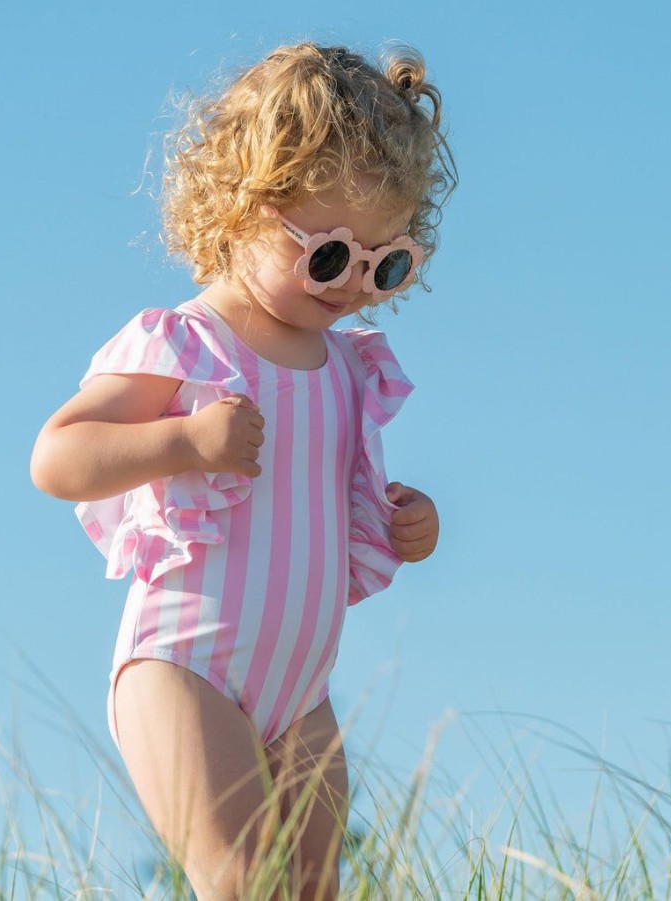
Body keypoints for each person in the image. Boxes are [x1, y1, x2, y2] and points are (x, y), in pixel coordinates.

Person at [30, 40, 456, 901]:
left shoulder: (346, 366)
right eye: (328, 256)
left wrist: (410, 522)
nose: (350, 286)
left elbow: (326, 503)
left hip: (302, 689)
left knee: (310, 887)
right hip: (184, 663)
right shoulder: (188, 342)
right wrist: (181, 443)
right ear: (241, 207)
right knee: (238, 882)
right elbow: (59, 455)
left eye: (386, 264)